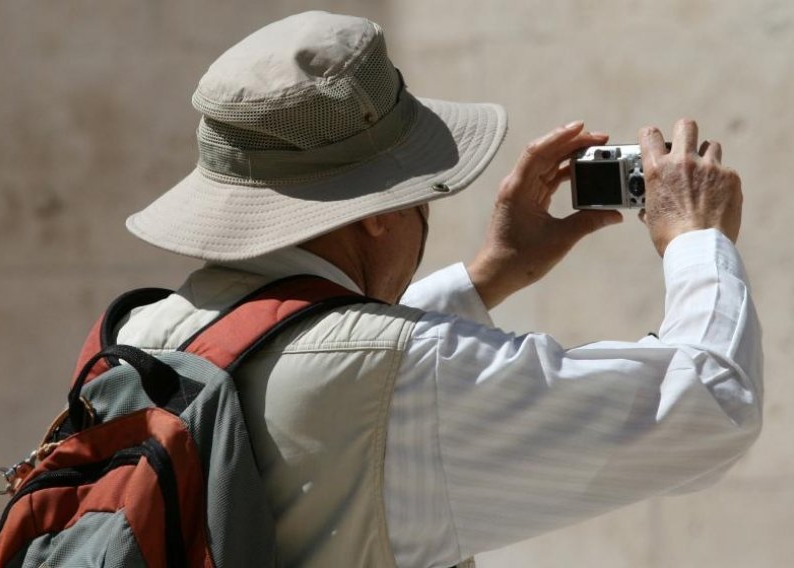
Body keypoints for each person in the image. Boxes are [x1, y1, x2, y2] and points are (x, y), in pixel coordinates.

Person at [118, 10, 761, 568]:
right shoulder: (408, 378)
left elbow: (309, 360)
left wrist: (488, 275)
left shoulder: (142, 334)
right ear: (377, 210)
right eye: (423, 189)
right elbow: (709, 410)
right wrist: (696, 238)